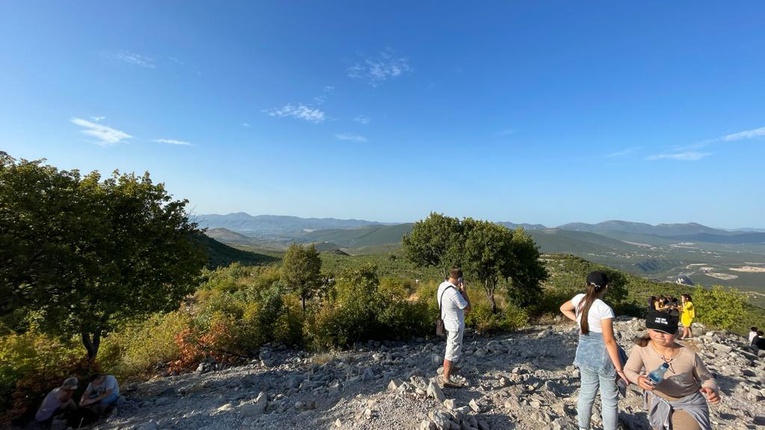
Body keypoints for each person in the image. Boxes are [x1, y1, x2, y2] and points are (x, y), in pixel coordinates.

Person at [624, 310, 720, 430]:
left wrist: (711, 389)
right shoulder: (642, 348)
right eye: (656, 331)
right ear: (648, 330)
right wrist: (638, 379)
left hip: (687, 403)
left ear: (675, 334)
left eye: (665, 332)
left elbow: (707, 378)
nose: (660, 335)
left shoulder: (689, 356)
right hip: (657, 401)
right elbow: (629, 370)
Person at [560, 271, 628, 430]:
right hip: (603, 357)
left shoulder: (579, 299)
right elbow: (609, 341)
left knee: (586, 395)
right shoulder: (604, 309)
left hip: (584, 353)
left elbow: (563, 308)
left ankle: (583, 428)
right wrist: (620, 369)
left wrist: (578, 320)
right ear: (606, 287)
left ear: (586, 285)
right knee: (609, 400)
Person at [436, 267, 471, 388]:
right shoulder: (454, 293)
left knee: (450, 347)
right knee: (452, 351)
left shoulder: (442, 286)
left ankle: (450, 368)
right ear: (459, 279)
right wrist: (464, 291)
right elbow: (467, 308)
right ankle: (446, 378)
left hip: (446, 321)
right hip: (455, 325)